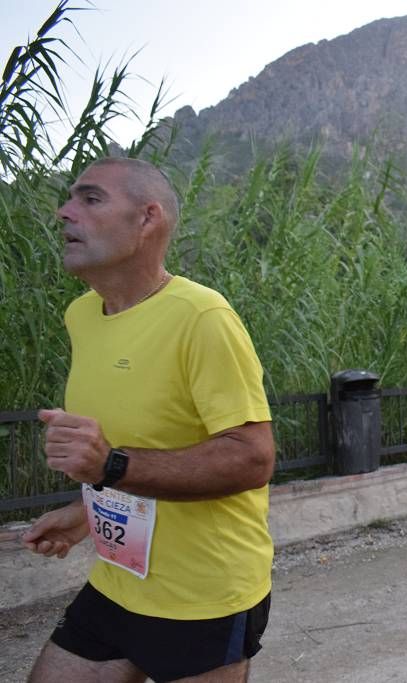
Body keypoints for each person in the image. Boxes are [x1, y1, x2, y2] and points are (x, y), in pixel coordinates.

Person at [21, 157, 275, 682]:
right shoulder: (81, 316)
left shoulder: (202, 318)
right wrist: (86, 513)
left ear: (147, 219)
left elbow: (252, 458)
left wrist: (110, 465)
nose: (64, 212)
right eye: (69, 198)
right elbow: (149, 441)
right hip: (118, 580)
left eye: (90, 199)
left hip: (203, 597)